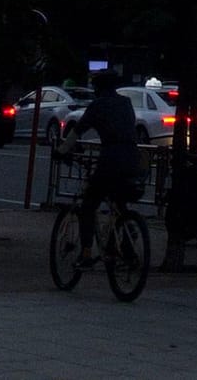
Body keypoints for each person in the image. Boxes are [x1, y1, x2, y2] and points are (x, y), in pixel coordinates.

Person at [72, 70, 143, 261]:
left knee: (89, 205)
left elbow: (78, 130)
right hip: (133, 159)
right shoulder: (126, 102)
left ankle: (85, 253)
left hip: (111, 159)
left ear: (97, 88)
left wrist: (62, 150)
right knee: (119, 202)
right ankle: (123, 239)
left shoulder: (98, 105)